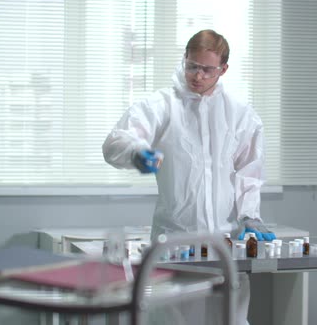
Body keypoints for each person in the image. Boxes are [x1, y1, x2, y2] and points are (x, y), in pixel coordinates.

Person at [102, 29, 275, 324]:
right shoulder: (162, 106)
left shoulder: (239, 114)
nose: (198, 76)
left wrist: (249, 216)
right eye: (192, 66)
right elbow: (115, 142)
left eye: (208, 69)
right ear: (184, 59)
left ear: (223, 69)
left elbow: (249, 171)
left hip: (225, 245)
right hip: (175, 244)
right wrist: (135, 153)